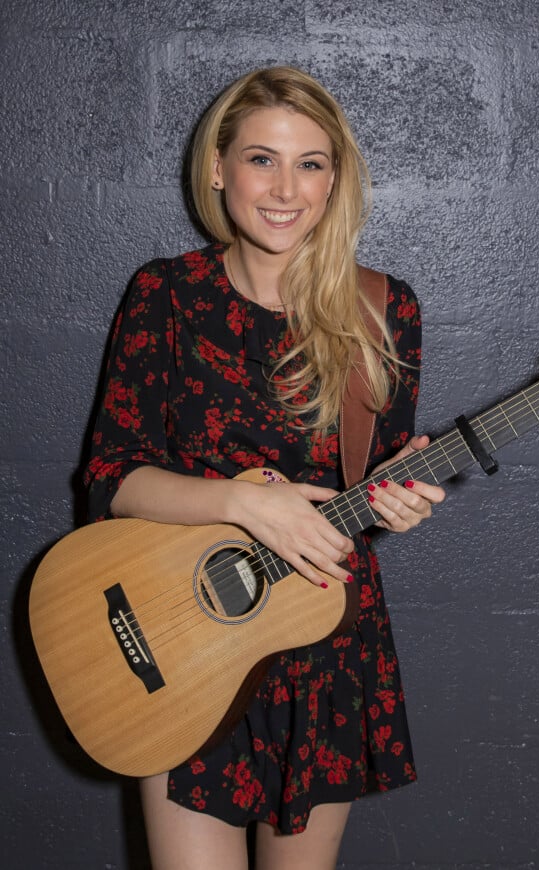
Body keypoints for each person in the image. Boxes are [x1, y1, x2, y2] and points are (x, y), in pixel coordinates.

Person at [85, 66, 445, 870]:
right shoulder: (163, 295)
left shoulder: (385, 311)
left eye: (311, 163)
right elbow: (112, 481)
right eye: (261, 159)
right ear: (218, 169)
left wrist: (397, 502)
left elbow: (366, 496)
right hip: (183, 636)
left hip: (320, 645)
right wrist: (244, 507)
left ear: (336, 179)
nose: (286, 188)